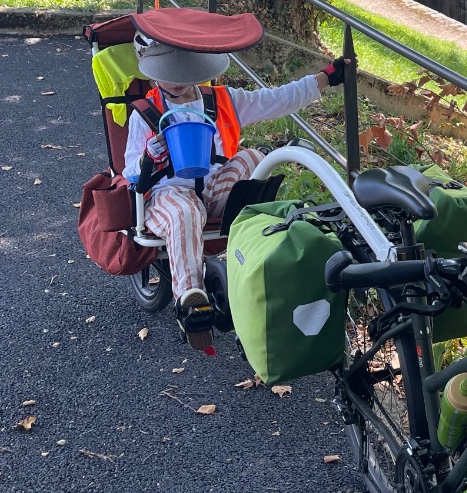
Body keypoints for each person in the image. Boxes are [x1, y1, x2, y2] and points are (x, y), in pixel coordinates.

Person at [123, 31, 348, 348]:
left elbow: (276, 99)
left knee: (254, 158)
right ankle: (190, 299)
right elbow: (129, 171)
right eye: (165, 73)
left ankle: (253, 259)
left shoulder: (222, 101)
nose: (173, 80)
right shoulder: (145, 113)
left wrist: (325, 79)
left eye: (180, 71)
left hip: (215, 193)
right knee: (185, 210)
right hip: (168, 196)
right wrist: (150, 156)